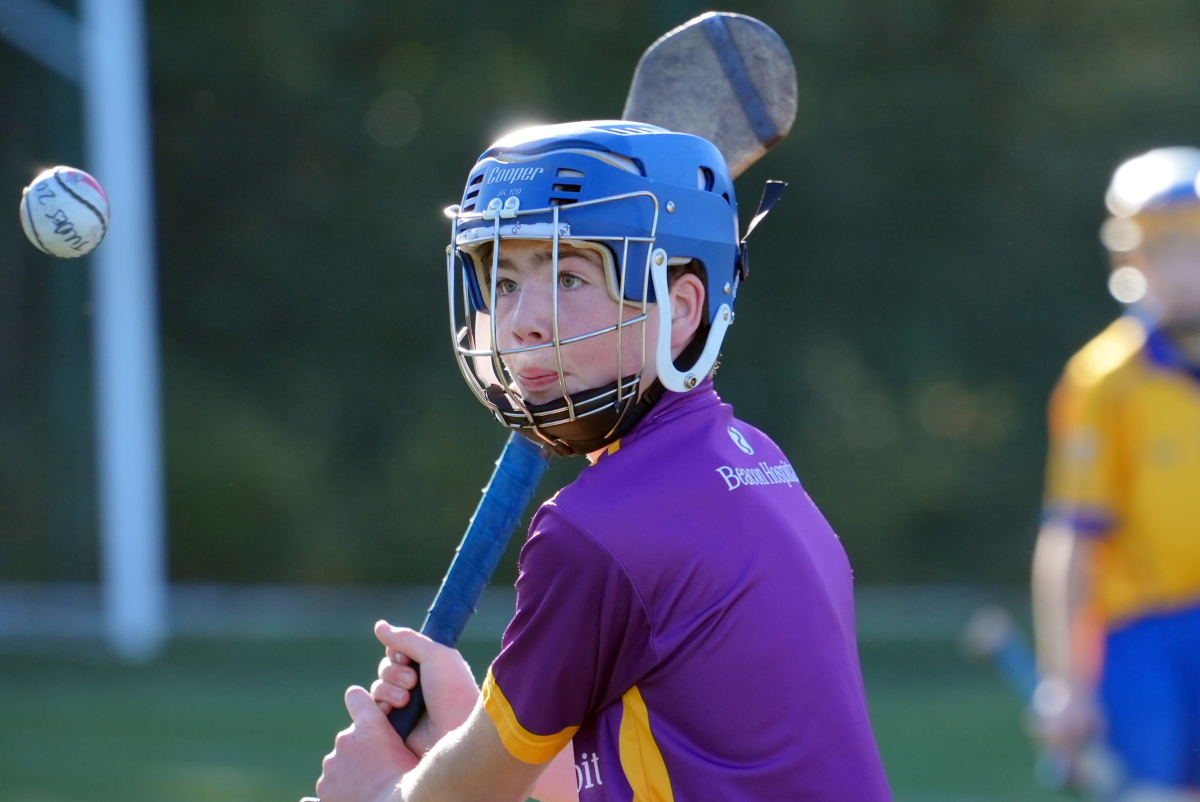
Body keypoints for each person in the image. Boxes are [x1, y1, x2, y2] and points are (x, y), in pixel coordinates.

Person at [314, 121, 891, 802]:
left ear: (680, 308)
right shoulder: (752, 462)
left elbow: (471, 794)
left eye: (567, 276)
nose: (522, 320)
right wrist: (470, 731)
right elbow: (626, 773)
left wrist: (382, 791)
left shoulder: (596, 531)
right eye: (501, 282)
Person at [1033, 147, 1200, 800]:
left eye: (1191, 246)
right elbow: (1073, 536)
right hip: (1143, 641)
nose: (1178, 270)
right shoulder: (1105, 381)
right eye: (1156, 250)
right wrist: (1066, 684)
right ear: (1127, 260)